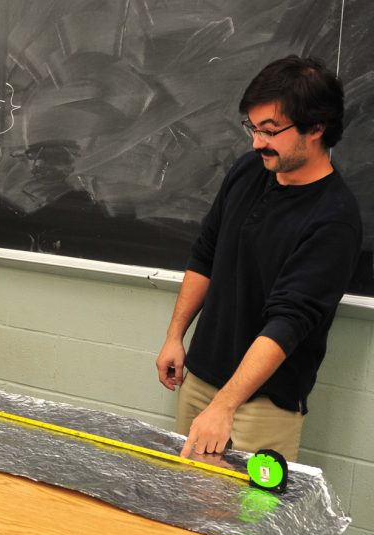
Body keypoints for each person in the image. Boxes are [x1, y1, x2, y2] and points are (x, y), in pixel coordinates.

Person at [155, 55, 362, 462]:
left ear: (316, 128)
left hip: (261, 404)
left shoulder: (334, 219)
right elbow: (206, 253)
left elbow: (288, 322)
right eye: (252, 128)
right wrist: (174, 336)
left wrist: (226, 406)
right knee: (179, 510)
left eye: (270, 131)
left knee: (242, 521)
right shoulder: (249, 171)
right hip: (200, 378)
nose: (256, 142)